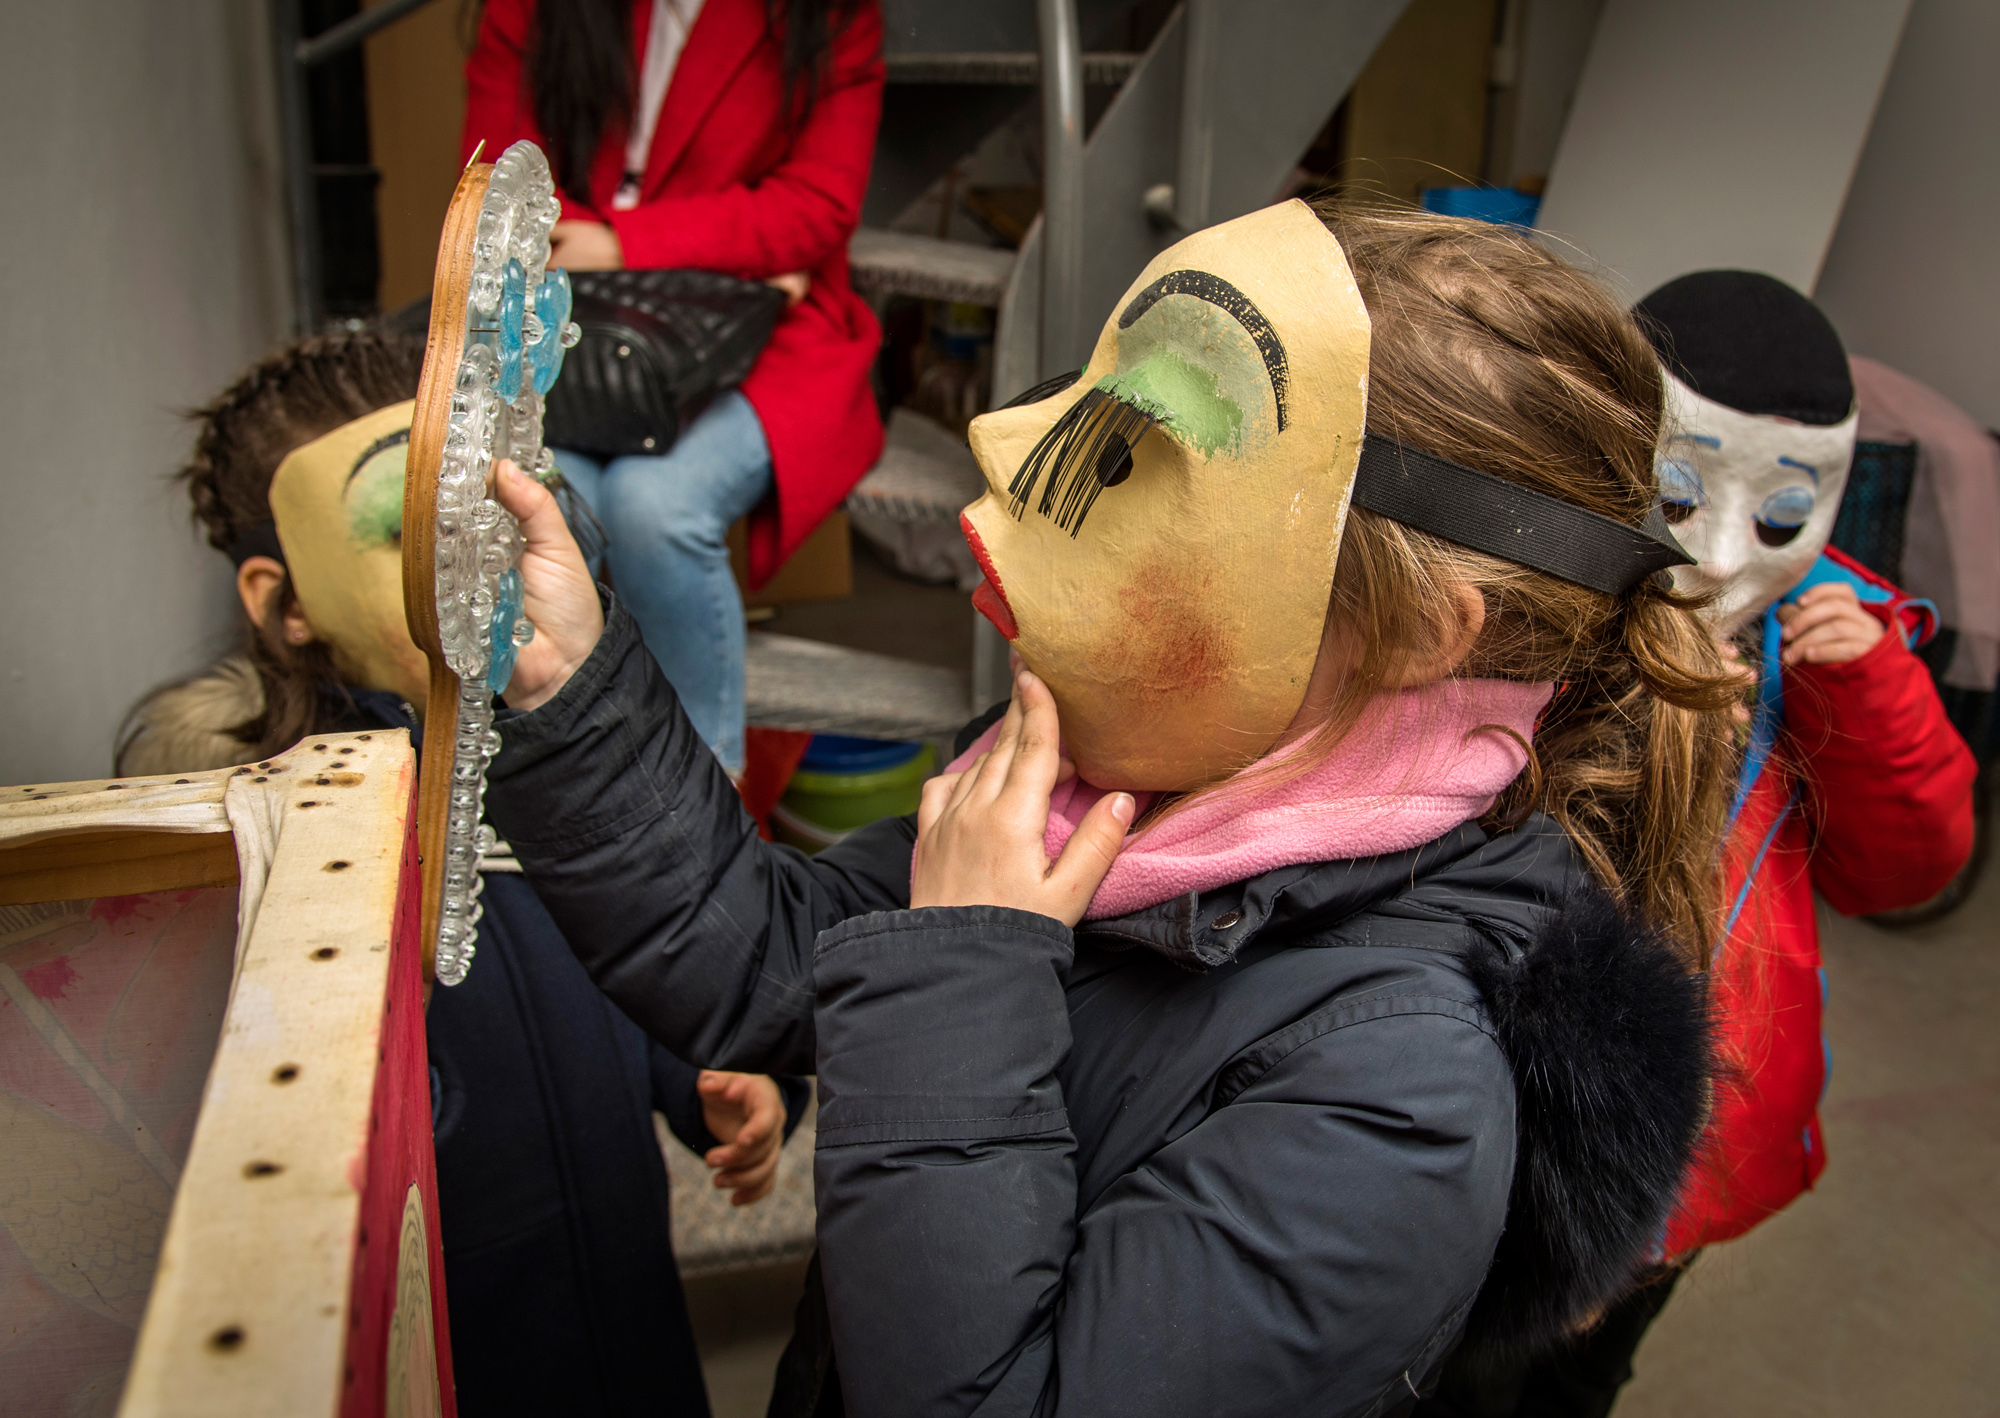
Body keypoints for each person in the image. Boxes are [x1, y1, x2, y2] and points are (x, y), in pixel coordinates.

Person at [480, 200, 1736, 1417]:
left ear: (1414, 630)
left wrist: (970, 969)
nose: (997, 438)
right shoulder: (1119, 786)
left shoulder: (1401, 1098)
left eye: (1135, 443)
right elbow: (761, 948)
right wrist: (579, 685)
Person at [116, 329, 805, 1417]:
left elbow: (656, 941)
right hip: (457, 1335)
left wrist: (722, 1076)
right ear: (282, 599)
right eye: (408, 520)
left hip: (627, 1296)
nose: (476, 546)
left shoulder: (570, 753)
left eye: (489, 498)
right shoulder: (291, 857)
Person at [1414, 272, 1981, 1418]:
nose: (1721, 559)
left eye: (1779, 519)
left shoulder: (1822, 648)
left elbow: (1904, 870)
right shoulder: (1513, 602)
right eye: (1678, 494)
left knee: (1570, 1388)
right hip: (1478, 1147)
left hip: (1678, 1165)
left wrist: (1866, 694)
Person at [462, 0, 886, 776]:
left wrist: (618, 241)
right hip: (579, 327)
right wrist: (734, 240)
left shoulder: (828, 15)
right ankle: (572, 785)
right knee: (547, 502)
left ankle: (704, 801)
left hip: (757, 335)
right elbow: (499, 189)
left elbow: (818, 207)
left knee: (656, 512)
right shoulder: (527, 11)